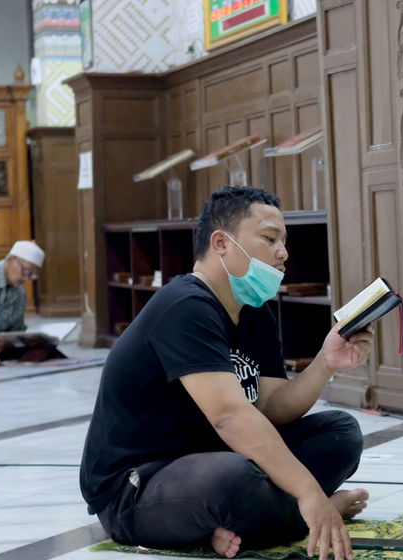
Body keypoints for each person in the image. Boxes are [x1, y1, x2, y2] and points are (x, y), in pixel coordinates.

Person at [79, 186, 373, 560]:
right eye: (269, 238)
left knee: (341, 434)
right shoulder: (185, 305)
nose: (283, 252)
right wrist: (310, 494)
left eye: (284, 241)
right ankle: (300, 515)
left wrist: (326, 362)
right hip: (137, 486)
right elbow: (229, 417)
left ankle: (229, 525)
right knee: (235, 480)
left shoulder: (254, 311)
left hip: (213, 457)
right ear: (221, 242)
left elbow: (271, 407)